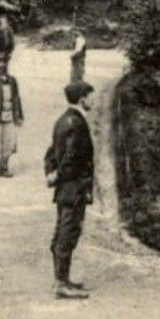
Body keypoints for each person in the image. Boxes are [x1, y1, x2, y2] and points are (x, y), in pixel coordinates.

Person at [44, 80, 95, 300]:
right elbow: (71, 158)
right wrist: (61, 175)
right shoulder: (77, 123)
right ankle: (61, 283)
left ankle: (62, 280)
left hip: (65, 188)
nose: (93, 99)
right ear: (82, 98)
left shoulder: (62, 120)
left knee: (64, 231)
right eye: (91, 96)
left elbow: (50, 153)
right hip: (74, 188)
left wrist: (51, 174)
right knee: (67, 233)